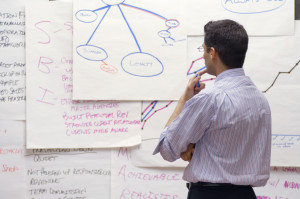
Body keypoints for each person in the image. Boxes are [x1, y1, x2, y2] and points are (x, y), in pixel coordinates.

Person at [153, 19, 272, 199]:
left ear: (213, 52)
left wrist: (184, 99)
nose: (202, 56)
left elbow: (167, 149)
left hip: (209, 194)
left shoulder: (210, 99)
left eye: (203, 50)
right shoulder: (260, 100)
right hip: (246, 194)